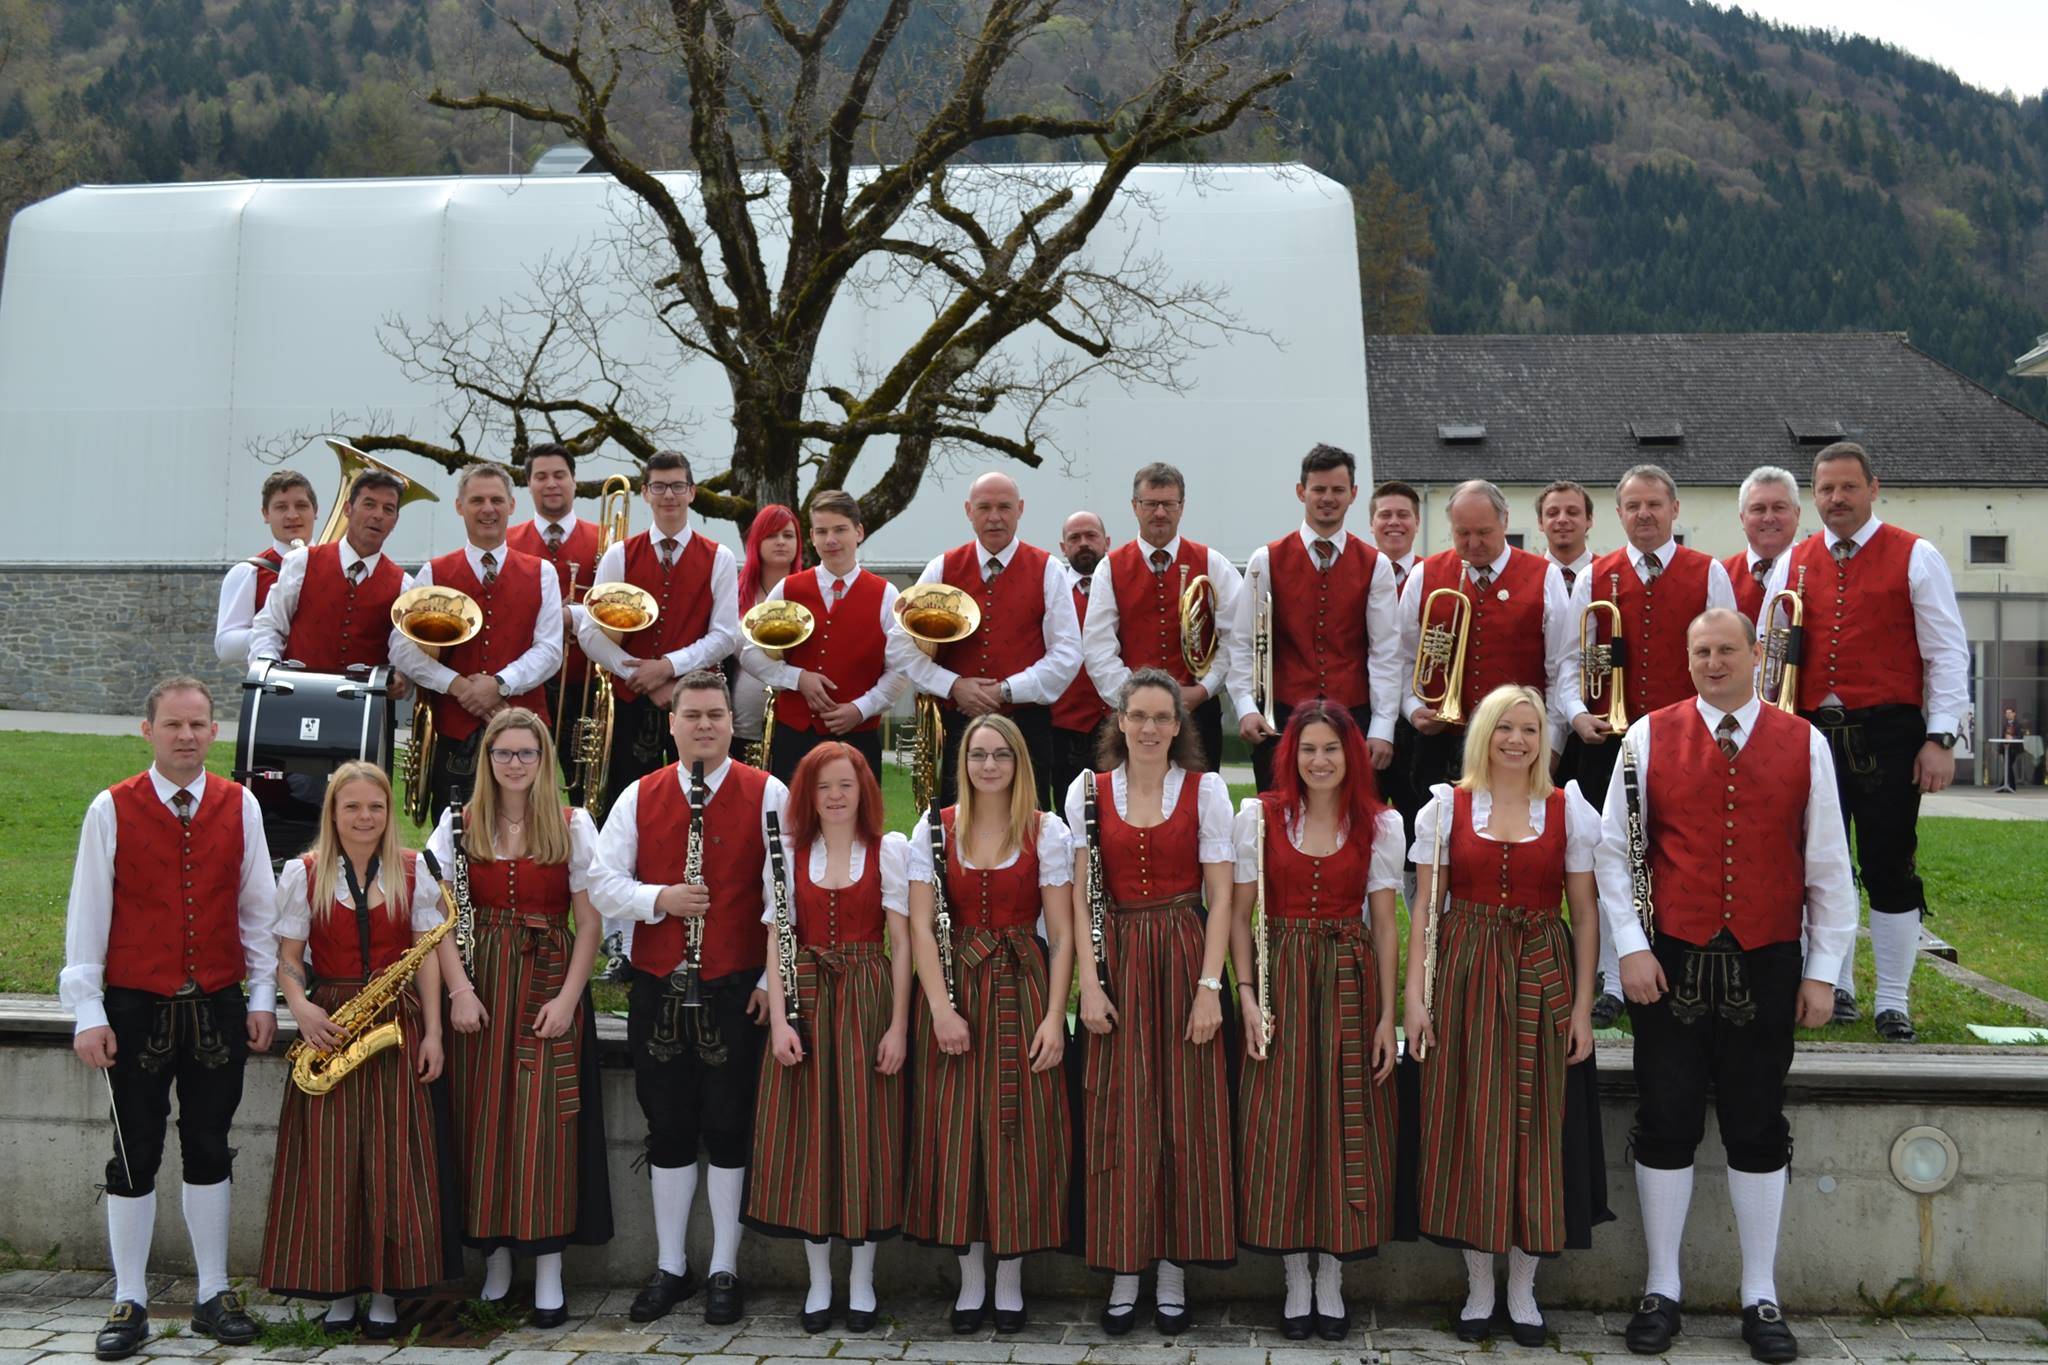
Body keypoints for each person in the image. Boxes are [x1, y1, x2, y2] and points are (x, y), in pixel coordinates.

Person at [1595, 608, 1855, 1363]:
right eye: (1700, 650)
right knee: (1666, 1116)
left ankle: (1759, 1293)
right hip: (1668, 958)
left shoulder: (1803, 739)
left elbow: (1829, 868)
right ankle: (1662, 1287)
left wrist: (1822, 972)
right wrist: (1631, 950)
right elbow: (1617, 854)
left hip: (1768, 959)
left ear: (1754, 655)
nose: (1713, 662)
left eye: (1725, 649)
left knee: (1756, 1122)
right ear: (1688, 658)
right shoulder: (1645, 736)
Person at [60, 677, 278, 1360]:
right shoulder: (112, 807)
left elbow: (259, 911)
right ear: (147, 730)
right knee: (135, 1152)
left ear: (215, 731)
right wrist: (87, 1010)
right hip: (134, 1006)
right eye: (173, 724)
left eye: (199, 724)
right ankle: (130, 1298)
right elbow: (87, 916)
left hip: (215, 1003)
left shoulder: (239, 805)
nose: (187, 736)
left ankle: (214, 1292)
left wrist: (263, 996)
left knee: (210, 1144)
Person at [1403, 684, 1609, 1346]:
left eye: (1528, 728)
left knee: (1534, 1122)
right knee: (1471, 1121)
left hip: (1540, 972)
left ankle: (1522, 1287)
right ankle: (1479, 1286)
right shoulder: (1446, 808)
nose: (1517, 739)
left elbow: (1585, 913)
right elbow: (1425, 915)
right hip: (1464, 970)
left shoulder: (1567, 808)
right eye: (1504, 728)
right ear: (1483, 735)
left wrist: (1582, 1005)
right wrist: (1415, 996)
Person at [589, 670, 789, 1327]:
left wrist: (767, 981)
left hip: (735, 988)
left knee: (730, 1128)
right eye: (692, 715)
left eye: (715, 714)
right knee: (668, 1126)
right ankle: (671, 1264)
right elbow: (601, 882)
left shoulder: (769, 794)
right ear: (672, 724)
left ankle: (725, 1265)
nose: (704, 725)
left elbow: (782, 902)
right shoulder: (638, 795)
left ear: (733, 722)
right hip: (660, 985)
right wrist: (660, 900)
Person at [1767, 442, 1970, 1042]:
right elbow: (1771, 653)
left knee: (1889, 863)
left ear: (1873, 488)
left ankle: (1893, 998)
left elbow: (1946, 651)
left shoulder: (1917, 554)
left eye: (1847, 488)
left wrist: (1941, 737)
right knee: (1817, 865)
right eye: (1825, 490)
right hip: (1809, 735)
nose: (1835, 500)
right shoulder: (1791, 562)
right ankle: (1838, 986)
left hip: (1889, 732)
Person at [426, 709, 613, 1327]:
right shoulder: (456, 825)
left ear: (543, 760)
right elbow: (435, 918)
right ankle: (497, 1261)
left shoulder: (572, 825)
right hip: (481, 986)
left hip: (547, 984)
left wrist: (567, 999)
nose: (513, 764)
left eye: (525, 754)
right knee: (483, 1119)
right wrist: (457, 991)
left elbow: (590, 923)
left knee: (545, 1124)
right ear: (487, 760)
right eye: (502, 753)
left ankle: (550, 1271)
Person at [1065, 668, 1236, 1335]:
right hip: (1118, 958)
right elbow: (1080, 897)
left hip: (1184, 951)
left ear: (1179, 725)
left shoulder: (1206, 790)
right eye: (1138, 715)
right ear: (1120, 719)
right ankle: (1123, 1266)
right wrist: (1090, 980)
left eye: (1163, 717)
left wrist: (1210, 987)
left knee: (1184, 1115)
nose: (1149, 727)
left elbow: (1220, 896)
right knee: (1120, 1114)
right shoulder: (1088, 791)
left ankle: (1171, 1268)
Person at [1229, 702, 1404, 1341]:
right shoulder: (1260, 819)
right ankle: (1293, 1279)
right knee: (1282, 1120)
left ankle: (1330, 1274)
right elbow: (1242, 916)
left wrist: (1389, 1015)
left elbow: (1385, 927)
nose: (1320, 760)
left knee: (1342, 1116)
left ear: (1350, 755)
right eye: (1308, 749)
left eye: (1331, 748)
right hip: (1280, 981)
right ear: (1291, 756)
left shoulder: (1380, 825)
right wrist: (1246, 995)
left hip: (1349, 982)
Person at [260, 762, 454, 1337]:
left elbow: (427, 962)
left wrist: (435, 1034)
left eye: (375, 807)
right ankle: (338, 1289)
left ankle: (388, 1293)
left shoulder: (416, 871)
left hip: (395, 1020)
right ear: (333, 813)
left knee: (396, 1160)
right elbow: (289, 957)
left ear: (388, 812)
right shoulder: (305, 872)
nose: (365, 817)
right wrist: (299, 1006)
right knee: (331, 1160)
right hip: (331, 1022)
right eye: (352, 807)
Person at [904, 715, 1076, 1336]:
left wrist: (1056, 1017)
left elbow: (1061, 936)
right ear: (963, 762)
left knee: (1016, 1131)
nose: (989, 765)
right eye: (978, 754)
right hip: (955, 990)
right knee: (956, 1132)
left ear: (1019, 761)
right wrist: (941, 1010)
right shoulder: (933, 829)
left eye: (1002, 754)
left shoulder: (1045, 830)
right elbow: (921, 927)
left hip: (1021, 987)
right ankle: (971, 1279)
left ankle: (1009, 1280)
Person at [1563, 466, 1736, 1027]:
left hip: (1682, 742)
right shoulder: (1593, 576)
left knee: (1677, 852)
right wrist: (1575, 715)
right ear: (1618, 514)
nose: (1644, 514)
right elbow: (1568, 663)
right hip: (1607, 741)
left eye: (1654, 504)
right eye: (1632, 505)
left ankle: (1685, 960)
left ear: (1674, 509)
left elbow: (1728, 659)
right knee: (1609, 853)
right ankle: (1614, 978)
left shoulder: (1708, 572)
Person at [750, 743, 912, 1333]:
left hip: (868, 997)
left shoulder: (888, 851)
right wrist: (780, 1019)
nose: (836, 796)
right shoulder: (789, 855)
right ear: (807, 796)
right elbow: (777, 937)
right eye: (823, 787)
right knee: (810, 1135)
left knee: (866, 1132)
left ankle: (862, 1280)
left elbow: (902, 947)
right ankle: (819, 1281)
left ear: (864, 791)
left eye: (846, 785)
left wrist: (898, 1025)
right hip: (808, 999)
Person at [888, 471, 1082, 808]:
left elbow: (1067, 652)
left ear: (1020, 509)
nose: (995, 517)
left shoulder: (1048, 569)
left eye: (1005, 507)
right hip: (955, 725)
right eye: (984, 507)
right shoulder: (941, 567)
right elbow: (899, 645)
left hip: (1026, 726)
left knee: (1029, 825)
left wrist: (1007, 689)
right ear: (968, 510)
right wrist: (953, 685)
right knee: (955, 822)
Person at [391, 462, 563, 819]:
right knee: (455, 834)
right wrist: (455, 686)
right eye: (477, 500)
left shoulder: (542, 572)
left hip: (524, 726)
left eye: (497, 500)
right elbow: (401, 647)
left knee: (529, 831)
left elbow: (549, 650)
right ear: (459, 507)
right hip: (454, 729)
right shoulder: (433, 573)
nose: (488, 509)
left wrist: (499, 684)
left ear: (512, 506)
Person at [575, 451, 741, 815]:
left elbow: (726, 636)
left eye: (678, 486)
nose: (669, 495)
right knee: (630, 802)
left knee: (702, 800)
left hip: (696, 701)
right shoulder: (619, 554)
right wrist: (640, 675)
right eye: (660, 486)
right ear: (646, 493)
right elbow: (589, 632)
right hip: (630, 702)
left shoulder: (720, 557)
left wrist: (667, 668)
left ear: (692, 492)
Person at [1228, 444, 1401, 792]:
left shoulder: (1376, 565)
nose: (1327, 498)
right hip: (1280, 717)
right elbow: (1243, 642)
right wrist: (1247, 707)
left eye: (1338, 490)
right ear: (1300, 491)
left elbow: (1386, 653)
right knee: (1277, 821)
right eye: (1319, 489)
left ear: (1353, 494)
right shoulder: (1266, 560)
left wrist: (1382, 728)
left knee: (1353, 823)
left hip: (1353, 716)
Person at [1397, 479, 1575, 797]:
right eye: (1462, 533)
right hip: (1441, 742)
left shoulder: (1544, 576)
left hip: (1517, 742)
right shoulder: (1424, 575)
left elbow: (1560, 669)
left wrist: (1553, 743)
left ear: (1505, 520)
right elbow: (1402, 658)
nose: (1473, 542)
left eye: (1484, 532)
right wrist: (1413, 708)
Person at [1083, 463, 1243, 775]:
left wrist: (1204, 689)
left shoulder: (1213, 563)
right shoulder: (1109, 568)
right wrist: (1136, 702)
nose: (1159, 513)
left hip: (1197, 711)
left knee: (1199, 804)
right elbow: (1098, 649)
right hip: (1133, 715)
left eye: (1168, 504)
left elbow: (1235, 639)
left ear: (1182, 507)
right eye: (1150, 504)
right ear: (1134, 506)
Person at [740, 490, 904, 784]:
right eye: (821, 531)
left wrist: (860, 709)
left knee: (857, 826)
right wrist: (797, 678)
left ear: (859, 532)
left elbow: (899, 670)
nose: (831, 540)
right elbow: (750, 653)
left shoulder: (886, 594)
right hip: (794, 737)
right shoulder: (787, 590)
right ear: (812, 537)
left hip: (859, 736)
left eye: (840, 530)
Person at [505, 444, 603, 799]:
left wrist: (570, 615)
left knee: (590, 792)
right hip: (524, 685)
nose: (551, 484)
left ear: (574, 482)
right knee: (521, 788)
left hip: (585, 683)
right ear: (528, 485)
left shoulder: (606, 539)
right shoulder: (506, 541)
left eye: (560, 475)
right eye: (541, 477)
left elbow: (620, 607)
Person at [250, 469, 413, 675]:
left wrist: (401, 678)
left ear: (395, 521)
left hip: (363, 705)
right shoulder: (301, 562)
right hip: (295, 698)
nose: (378, 515)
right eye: (369, 504)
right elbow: (269, 626)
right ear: (347, 509)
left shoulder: (404, 586)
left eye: (388, 509)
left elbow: (403, 654)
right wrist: (267, 669)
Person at [1369, 479, 1427, 891]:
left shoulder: (1435, 575)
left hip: (1417, 726)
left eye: (1403, 514)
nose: (1394, 522)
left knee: (1416, 837)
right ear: (1371, 523)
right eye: (1385, 514)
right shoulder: (1356, 571)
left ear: (1417, 522)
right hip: (1367, 723)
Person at [216, 469, 317, 668]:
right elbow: (225, 647)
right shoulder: (249, 572)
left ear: (316, 510)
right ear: (265, 514)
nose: (292, 515)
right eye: (281, 507)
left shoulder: (339, 566)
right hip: (275, 690)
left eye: (301, 506)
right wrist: (278, 629)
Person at [1049, 510, 1113, 803]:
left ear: (1107, 542)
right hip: (1065, 728)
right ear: (1063, 547)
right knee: (1067, 811)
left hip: (1116, 723)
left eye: (1091, 536)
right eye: (1074, 538)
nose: (1083, 543)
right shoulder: (1051, 591)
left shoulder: (1120, 585)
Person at [731, 504, 803, 762]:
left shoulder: (809, 592)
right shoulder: (735, 594)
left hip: (797, 721)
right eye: (771, 535)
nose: (781, 542)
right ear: (755, 542)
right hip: (742, 722)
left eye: (788, 535)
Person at [1724, 467, 1802, 625]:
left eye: (1779, 508)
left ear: (1797, 514)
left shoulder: (1818, 568)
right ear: (1742, 518)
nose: (1768, 518)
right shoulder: (1721, 575)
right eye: (1758, 509)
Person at [1535, 480, 1596, 591]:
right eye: (1553, 513)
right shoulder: (1526, 576)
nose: (1562, 520)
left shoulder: (1610, 574)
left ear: (1589, 519)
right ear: (1540, 522)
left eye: (1572, 512)